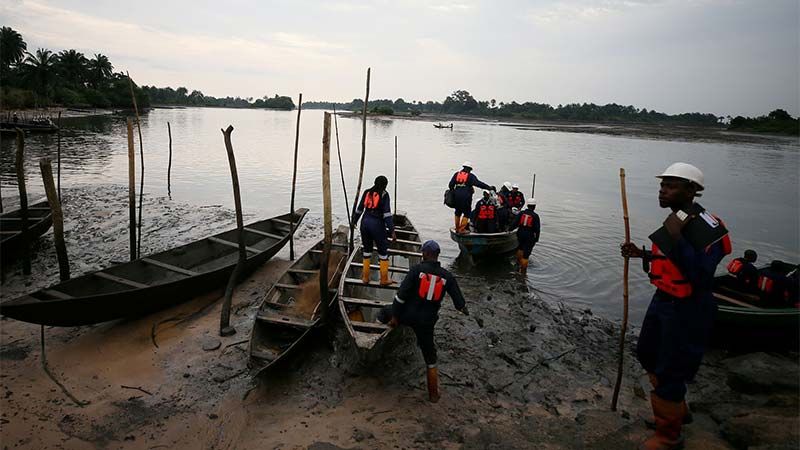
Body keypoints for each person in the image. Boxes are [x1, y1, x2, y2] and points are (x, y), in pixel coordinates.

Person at [620, 162, 731, 450]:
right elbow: (669, 262)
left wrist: (678, 237)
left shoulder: (707, 228)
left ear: (692, 190)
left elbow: (700, 274)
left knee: (671, 367)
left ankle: (669, 436)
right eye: (662, 185)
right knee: (646, 352)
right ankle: (676, 410)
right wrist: (640, 253)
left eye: (671, 186)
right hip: (664, 299)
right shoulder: (678, 219)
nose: (663, 191)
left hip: (688, 307)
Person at [377, 240, 469, 402]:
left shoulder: (416, 270)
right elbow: (459, 303)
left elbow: (400, 297)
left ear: (425, 254)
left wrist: (395, 317)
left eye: (422, 252)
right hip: (427, 322)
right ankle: (433, 394)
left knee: (384, 311)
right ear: (437, 255)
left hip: (407, 316)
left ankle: (376, 339)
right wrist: (464, 310)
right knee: (430, 358)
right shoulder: (447, 276)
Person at [352, 175, 396, 286]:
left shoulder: (367, 192)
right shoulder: (384, 194)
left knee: (367, 250)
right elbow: (386, 214)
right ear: (385, 185)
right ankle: (384, 279)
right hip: (377, 225)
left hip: (364, 223)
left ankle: (365, 278)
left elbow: (359, 209)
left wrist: (353, 221)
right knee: (383, 251)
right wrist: (392, 230)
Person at [448, 162, 494, 234]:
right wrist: (488, 187)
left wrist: (455, 191)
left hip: (456, 195)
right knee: (467, 212)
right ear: (469, 169)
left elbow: (450, 185)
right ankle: (462, 229)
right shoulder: (470, 176)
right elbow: (478, 184)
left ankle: (457, 228)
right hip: (466, 196)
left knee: (458, 211)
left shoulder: (456, 174)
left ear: (463, 167)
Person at [510, 198, 540, 275]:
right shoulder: (535, 216)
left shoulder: (521, 213)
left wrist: (509, 229)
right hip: (529, 236)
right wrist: (536, 239)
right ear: (534, 206)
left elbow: (515, 223)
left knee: (520, 248)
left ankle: (518, 264)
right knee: (526, 255)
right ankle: (523, 273)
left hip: (520, 233)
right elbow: (537, 229)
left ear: (527, 205)